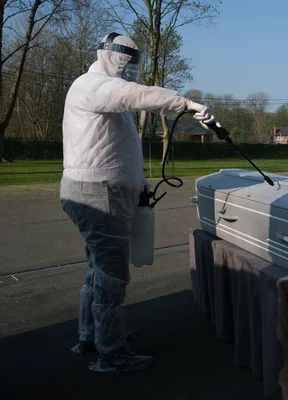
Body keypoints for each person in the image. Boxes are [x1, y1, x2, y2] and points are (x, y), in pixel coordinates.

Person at [60, 32, 214, 373]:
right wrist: (187, 104)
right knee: (111, 275)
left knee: (98, 269)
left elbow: (116, 146)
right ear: (110, 56)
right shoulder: (95, 85)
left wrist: (140, 183)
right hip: (99, 193)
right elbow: (133, 95)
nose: (131, 68)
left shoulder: (106, 92)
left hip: (105, 189)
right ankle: (111, 353)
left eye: (135, 62)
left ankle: (91, 335)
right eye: (127, 60)